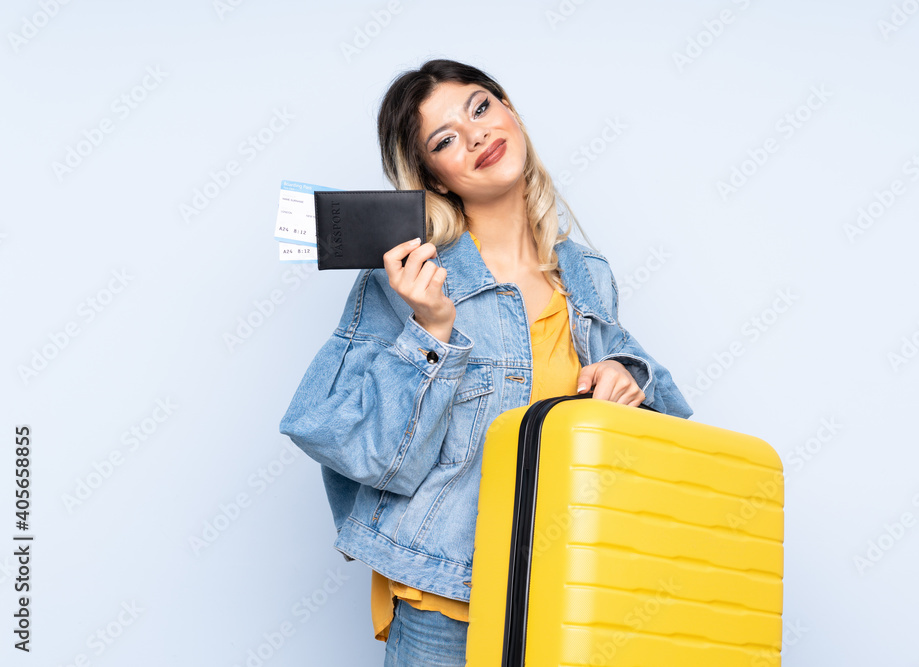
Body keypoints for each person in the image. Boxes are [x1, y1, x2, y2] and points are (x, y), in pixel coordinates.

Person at [279, 58, 693, 666]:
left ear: (510, 112)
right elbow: (357, 447)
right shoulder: (408, 281)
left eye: (481, 107)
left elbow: (650, 423)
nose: (475, 135)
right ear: (435, 177)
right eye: (445, 139)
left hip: (567, 584)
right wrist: (431, 331)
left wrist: (628, 377)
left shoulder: (584, 273)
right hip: (446, 592)